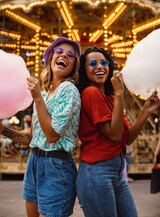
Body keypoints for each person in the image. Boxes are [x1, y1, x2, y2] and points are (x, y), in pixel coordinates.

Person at [0, 37, 81, 217]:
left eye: (70, 55)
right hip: (34, 161)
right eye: (59, 52)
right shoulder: (45, 94)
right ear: (51, 58)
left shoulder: (69, 90)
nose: (64, 56)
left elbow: (52, 136)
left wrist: (36, 98)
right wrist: (3, 130)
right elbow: (33, 138)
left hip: (56, 166)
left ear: (74, 65)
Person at [76, 46, 160, 217]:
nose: (99, 66)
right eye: (93, 63)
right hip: (97, 173)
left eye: (104, 62)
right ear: (85, 71)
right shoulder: (90, 93)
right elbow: (114, 134)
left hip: (116, 173)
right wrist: (120, 92)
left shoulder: (111, 98)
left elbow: (127, 138)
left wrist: (145, 112)